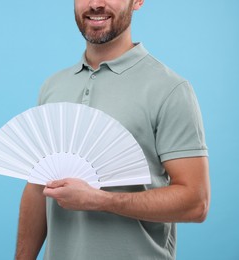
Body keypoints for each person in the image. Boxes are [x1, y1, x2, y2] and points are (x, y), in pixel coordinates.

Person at [15, 0, 210, 259]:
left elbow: (196, 203)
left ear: (137, 2)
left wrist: (100, 200)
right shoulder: (53, 87)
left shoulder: (169, 89)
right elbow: (37, 188)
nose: (95, 4)